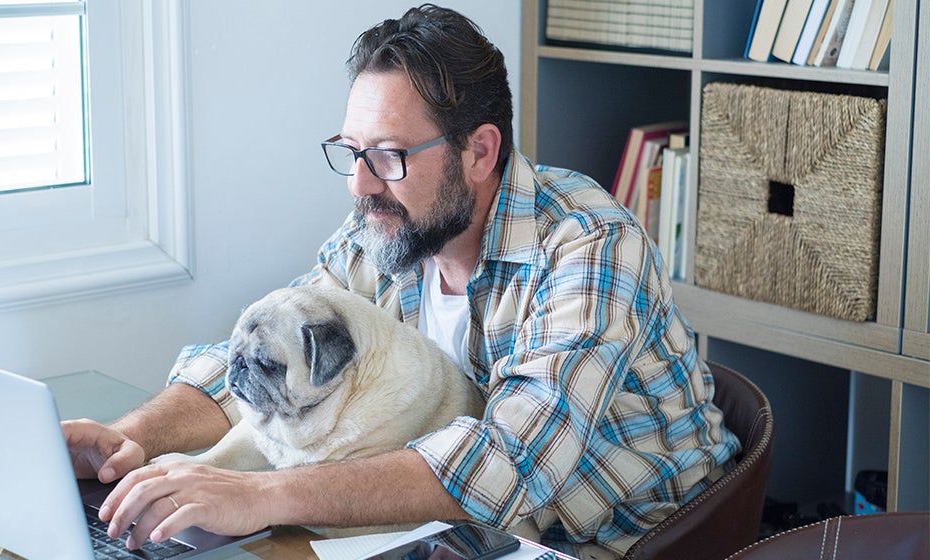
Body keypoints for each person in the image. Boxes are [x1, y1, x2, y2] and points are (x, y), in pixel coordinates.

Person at [63, 4, 740, 558]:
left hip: (621, 541)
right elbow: (264, 353)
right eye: (352, 152)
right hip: (461, 535)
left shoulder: (590, 248)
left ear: (480, 151)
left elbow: (511, 462)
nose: (360, 185)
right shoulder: (392, 227)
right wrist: (131, 439)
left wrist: (263, 495)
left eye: (387, 155)